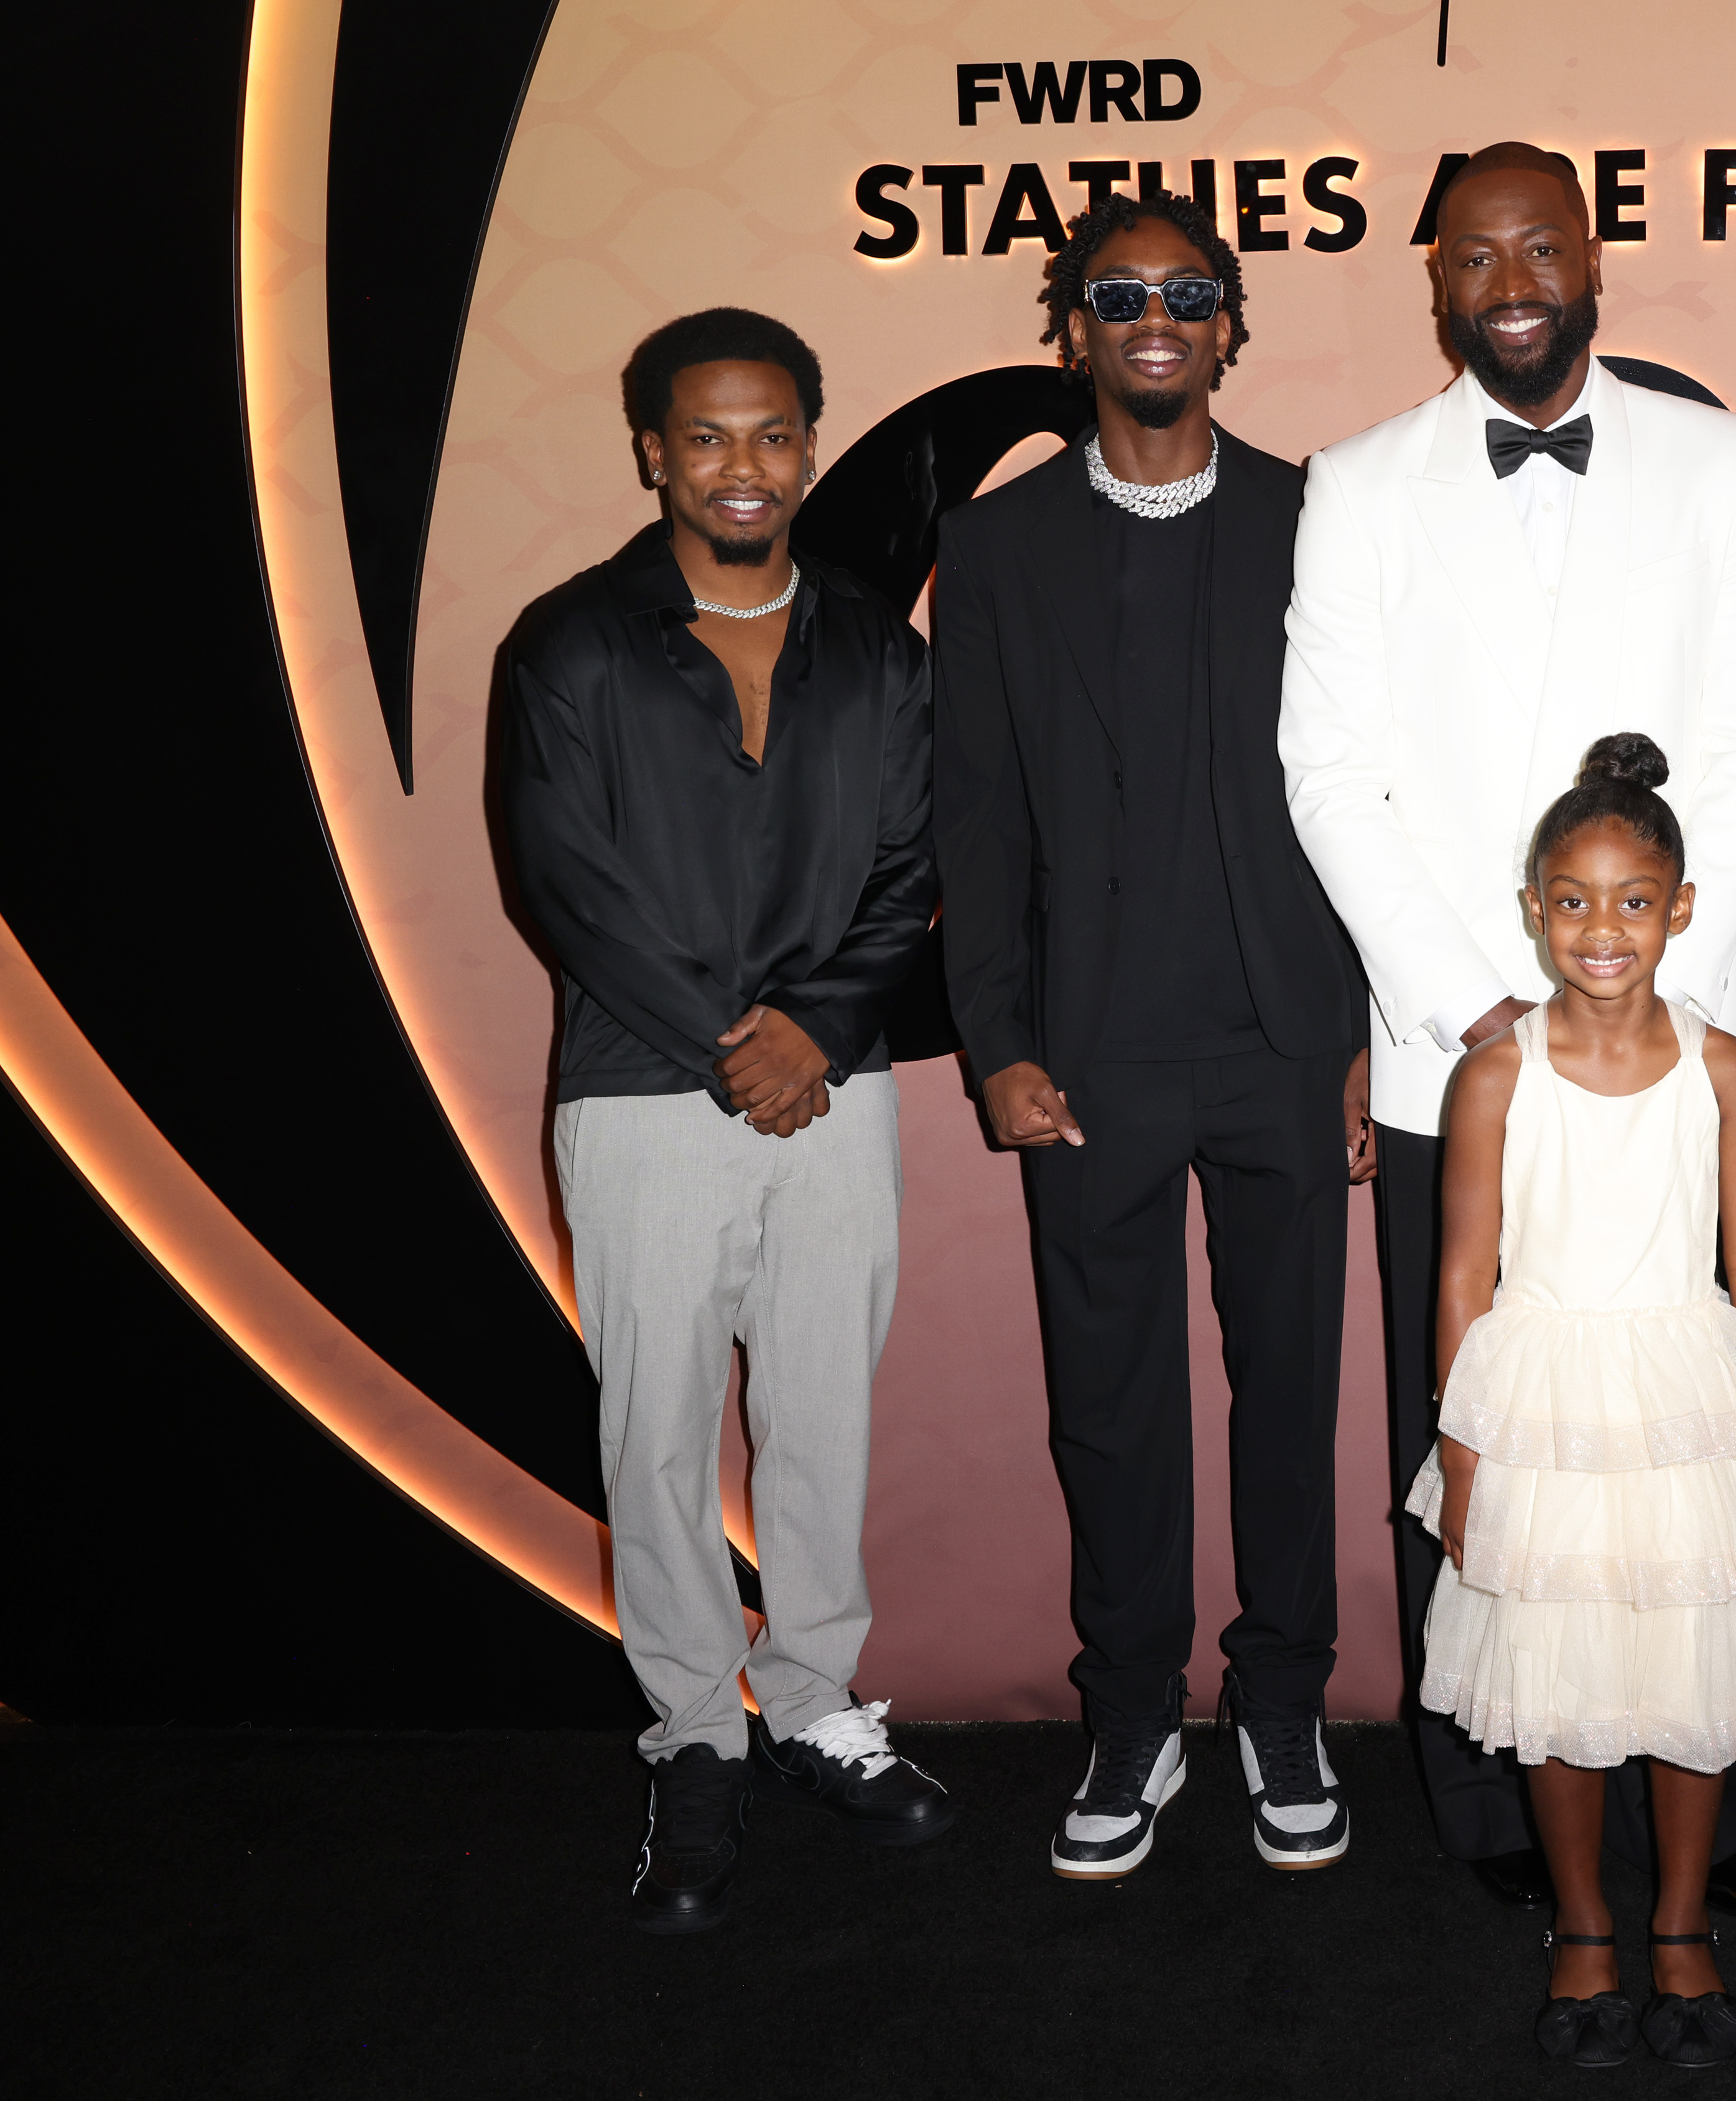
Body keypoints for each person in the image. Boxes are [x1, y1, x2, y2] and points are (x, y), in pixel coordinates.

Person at [1279, 142, 1736, 1912]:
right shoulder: (1358, 486)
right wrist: (1473, 1002)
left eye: (1543, 242)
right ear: (1436, 280)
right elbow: (1328, 771)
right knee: (1477, 1429)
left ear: (1596, 260)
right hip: (1463, 1057)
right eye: (1477, 251)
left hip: (1680, 1050)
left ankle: (1702, 1808)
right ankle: (1498, 1813)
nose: (1513, 274)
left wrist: (1647, 968)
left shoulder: (1723, 458)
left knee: (1680, 1427)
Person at [931, 190, 1371, 1880]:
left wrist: (1363, 1031)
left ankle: (1279, 1699)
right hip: (1087, 1056)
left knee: (1285, 1396)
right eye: (1120, 295)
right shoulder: (998, 546)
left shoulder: (1321, 516)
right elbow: (972, 814)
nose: (1157, 317)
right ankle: (1132, 1707)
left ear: (1232, 324)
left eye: (1191, 291)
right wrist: (995, 1042)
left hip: (1286, 1037)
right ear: (1073, 329)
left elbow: (1365, 789)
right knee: (1108, 1407)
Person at [499, 307, 954, 1934]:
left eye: (771, 433)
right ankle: (695, 1731)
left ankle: (817, 1699)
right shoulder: (568, 648)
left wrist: (816, 1031)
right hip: (641, 1093)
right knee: (661, 1430)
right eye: (706, 436)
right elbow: (566, 881)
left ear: (811, 446)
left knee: (824, 1413)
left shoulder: (883, 656)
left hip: (835, 1089)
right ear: (652, 452)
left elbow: (914, 871)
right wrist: (726, 1041)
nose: (741, 465)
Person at [1409, 737, 1736, 2069]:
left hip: (1685, 1404)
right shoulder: (1495, 1076)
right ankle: (1584, 1927)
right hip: (1535, 1412)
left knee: (1687, 1680)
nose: (1602, 928)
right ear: (1532, 907)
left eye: (1632, 900)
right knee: (1558, 1680)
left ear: (1682, 908)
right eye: (1572, 900)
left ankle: (1684, 1926)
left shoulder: (1722, 1070)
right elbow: (1464, 1275)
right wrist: (1463, 1456)